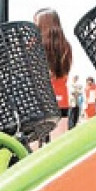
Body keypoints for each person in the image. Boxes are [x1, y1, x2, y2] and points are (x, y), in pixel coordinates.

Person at [34, 8, 73, 141]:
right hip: (62, 101)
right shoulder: (66, 46)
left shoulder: (33, 45)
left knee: (39, 148)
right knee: (60, 144)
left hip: (41, 102)